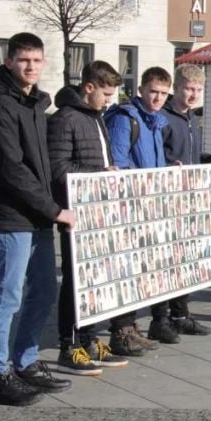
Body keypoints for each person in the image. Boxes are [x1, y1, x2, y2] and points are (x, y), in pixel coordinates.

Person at [0, 32, 74, 405]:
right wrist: (54, 209)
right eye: (23, 60)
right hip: (10, 215)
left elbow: (43, 165)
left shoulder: (34, 103)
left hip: (37, 215)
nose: (30, 66)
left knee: (45, 290)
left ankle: (26, 362)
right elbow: (10, 169)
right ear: (8, 61)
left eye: (36, 60)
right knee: (7, 296)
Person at [48, 61, 130, 375]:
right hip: (75, 213)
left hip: (98, 213)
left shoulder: (96, 118)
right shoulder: (65, 119)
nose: (109, 100)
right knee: (74, 281)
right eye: (106, 93)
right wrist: (100, 173)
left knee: (94, 280)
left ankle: (88, 339)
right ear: (89, 87)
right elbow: (58, 169)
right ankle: (68, 347)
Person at [104, 67, 172, 350]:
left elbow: (154, 162)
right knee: (126, 270)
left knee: (139, 271)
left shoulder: (154, 121)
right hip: (129, 206)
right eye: (153, 91)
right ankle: (120, 331)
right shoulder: (126, 119)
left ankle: (130, 326)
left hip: (148, 206)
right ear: (142, 89)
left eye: (163, 93)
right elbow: (120, 162)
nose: (157, 98)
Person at [160, 64, 211, 336]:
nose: (193, 94)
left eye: (198, 90)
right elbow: (160, 158)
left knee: (185, 260)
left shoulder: (192, 119)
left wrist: (210, 159)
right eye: (188, 88)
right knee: (167, 261)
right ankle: (162, 316)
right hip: (167, 198)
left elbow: (190, 157)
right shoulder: (164, 118)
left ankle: (181, 313)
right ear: (176, 88)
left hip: (188, 199)